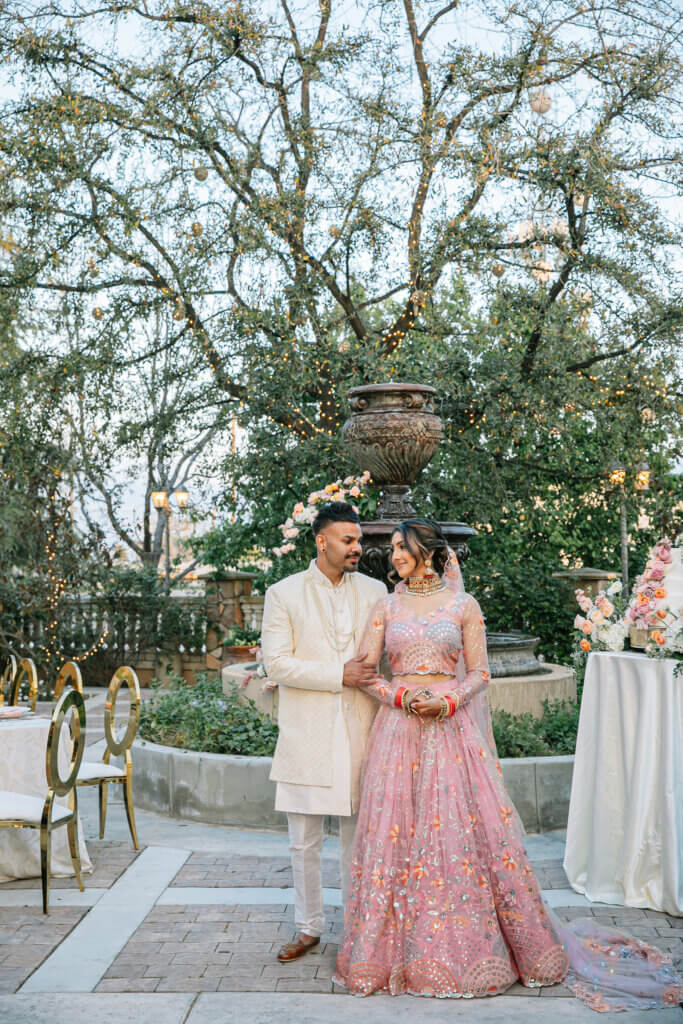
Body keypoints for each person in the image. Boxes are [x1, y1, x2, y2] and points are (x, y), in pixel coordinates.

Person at [335, 518, 682, 1011]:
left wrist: (450, 701)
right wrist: (402, 695)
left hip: (451, 732)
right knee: (396, 835)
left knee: (455, 834)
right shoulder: (385, 607)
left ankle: (474, 946)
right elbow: (365, 673)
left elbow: (480, 672)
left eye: (401, 547)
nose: (394, 555)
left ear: (429, 551)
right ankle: (389, 953)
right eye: (391, 548)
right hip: (398, 732)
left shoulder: (463, 605)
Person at [261, 501, 387, 963]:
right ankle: (308, 927)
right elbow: (276, 663)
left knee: (359, 840)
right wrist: (340, 674)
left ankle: (358, 929)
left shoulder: (376, 591)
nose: (357, 547)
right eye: (348, 540)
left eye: (358, 540)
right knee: (303, 842)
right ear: (321, 541)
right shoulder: (284, 593)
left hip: (362, 732)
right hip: (307, 735)